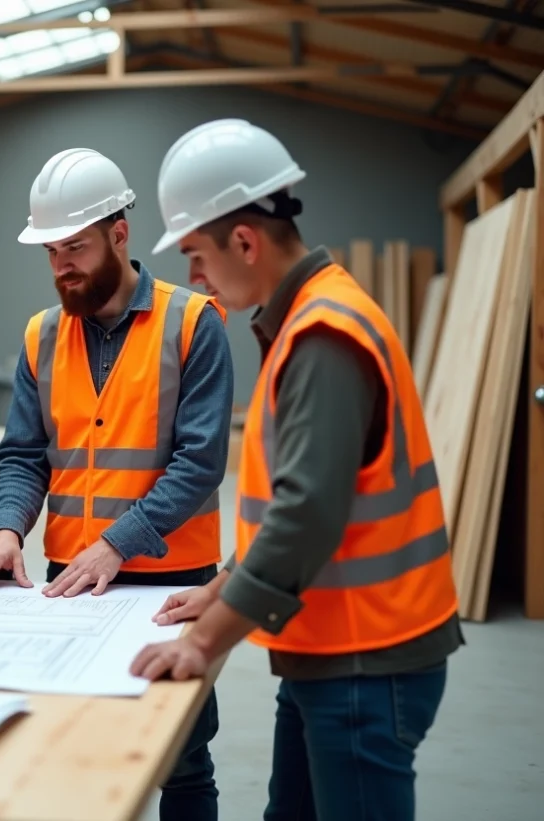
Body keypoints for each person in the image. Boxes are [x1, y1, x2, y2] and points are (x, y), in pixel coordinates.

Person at [129, 119, 463, 821]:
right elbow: (294, 500)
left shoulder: (322, 337)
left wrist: (203, 643)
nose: (193, 278)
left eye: (195, 255)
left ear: (244, 241)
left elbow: (307, 514)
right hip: (331, 646)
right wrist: (224, 585)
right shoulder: (307, 318)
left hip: (367, 658)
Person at [0, 147, 233, 821]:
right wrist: (5, 528)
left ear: (120, 233)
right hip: (70, 580)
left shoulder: (192, 322)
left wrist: (119, 542)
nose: (62, 265)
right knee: (71, 747)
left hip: (171, 585)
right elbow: (24, 454)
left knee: (182, 759)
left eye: (76, 247)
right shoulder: (42, 335)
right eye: (51, 251)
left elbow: (200, 461)